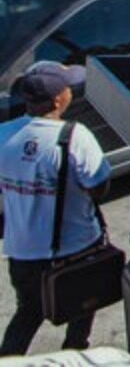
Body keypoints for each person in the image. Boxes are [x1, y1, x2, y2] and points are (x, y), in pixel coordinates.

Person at [0, 62, 111, 354]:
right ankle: (72, 354)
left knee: (28, 312)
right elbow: (99, 186)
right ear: (59, 99)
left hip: (22, 251)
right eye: (67, 87)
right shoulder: (76, 136)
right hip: (76, 248)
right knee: (82, 308)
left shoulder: (3, 134)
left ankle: (8, 360)